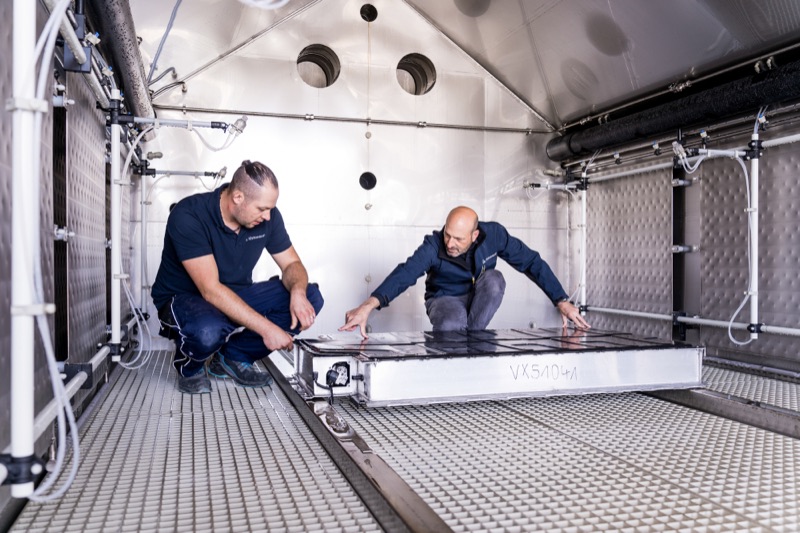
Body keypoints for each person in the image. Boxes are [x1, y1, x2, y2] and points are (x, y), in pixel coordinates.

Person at [152, 160, 323, 394]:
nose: (268, 217)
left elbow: (292, 263)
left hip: (233, 294)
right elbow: (210, 289)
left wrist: (298, 293)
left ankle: (232, 357)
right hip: (185, 301)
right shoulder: (189, 215)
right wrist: (267, 329)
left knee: (311, 297)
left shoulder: (267, 218)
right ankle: (190, 368)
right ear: (238, 198)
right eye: (262, 209)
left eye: (270, 209)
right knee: (206, 331)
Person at [340, 206, 588, 338]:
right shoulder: (433, 246)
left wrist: (561, 299)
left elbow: (531, 262)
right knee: (451, 325)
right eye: (448, 234)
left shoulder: (494, 235)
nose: (450, 243)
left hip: (478, 296)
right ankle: (463, 357)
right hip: (444, 298)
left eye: (458, 238)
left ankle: (474, 342)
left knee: (495, 279)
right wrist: (368, 306)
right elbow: (404, 274)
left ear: (475, 235)